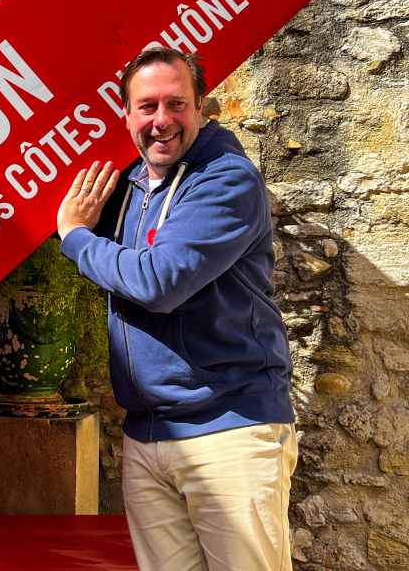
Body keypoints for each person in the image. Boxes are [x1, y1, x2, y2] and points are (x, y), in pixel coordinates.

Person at [55, 47, 296, 571]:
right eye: (147, 107)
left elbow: (159, 282)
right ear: (126, 115)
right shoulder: (133, 185)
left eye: (176, 104)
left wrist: (75, 236)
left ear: (201, 106)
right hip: (148, 435)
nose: (161, 120)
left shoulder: (226, 179)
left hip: (229, 429)